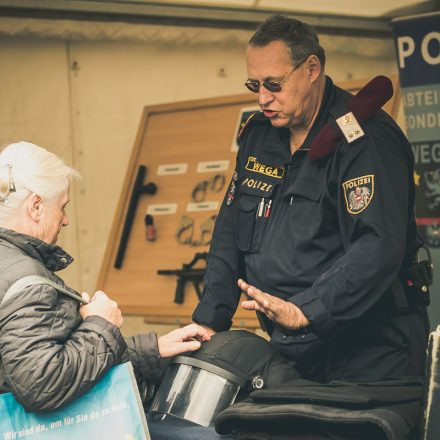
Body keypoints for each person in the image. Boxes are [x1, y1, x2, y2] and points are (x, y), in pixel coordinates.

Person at [192, 15, 430, 383]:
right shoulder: (259, 136)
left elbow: (378, 244)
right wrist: (209, 321)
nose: (262, 98)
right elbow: (229, 234)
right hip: (291, 348)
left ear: (311, 69)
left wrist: (307, 310)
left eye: (273, 84)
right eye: (254, 84)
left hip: (371, 349)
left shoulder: (365, 140)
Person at [0, 140, 210, 412]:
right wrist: (100, 323)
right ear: (36, 206)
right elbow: (43, 384)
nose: (65, 220)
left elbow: (54, 357)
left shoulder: (12, 267)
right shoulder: (25, 280)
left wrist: (153, 349)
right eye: (62, 207)